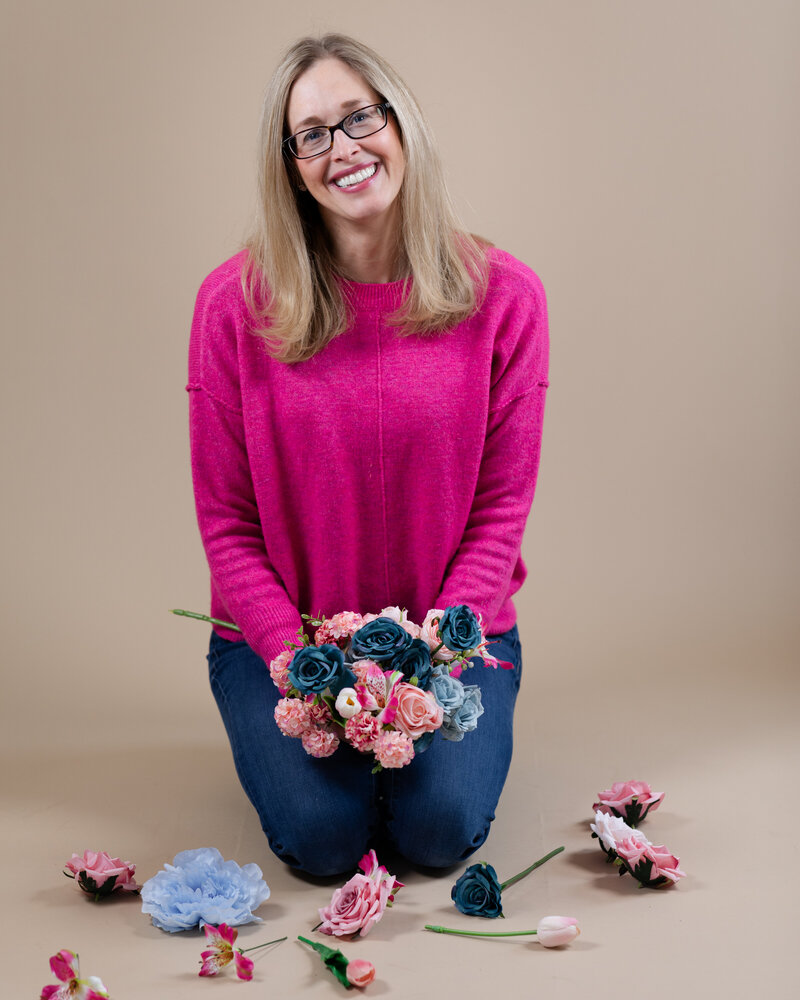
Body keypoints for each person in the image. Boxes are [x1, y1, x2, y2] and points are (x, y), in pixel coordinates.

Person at [188, 33, 549, 877]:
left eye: (359, 118)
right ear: (290, 165)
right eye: (311, 134)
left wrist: (424, 674)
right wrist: (302, 667)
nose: (342, 149)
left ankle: (406, 762)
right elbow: (228, 523)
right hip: (285, 643)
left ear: (401, 124)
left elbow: (501, 514)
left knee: (437, 834)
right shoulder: (231, 307)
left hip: (455, 637)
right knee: (321, 844)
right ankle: (330, 761)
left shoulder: (507, 298)